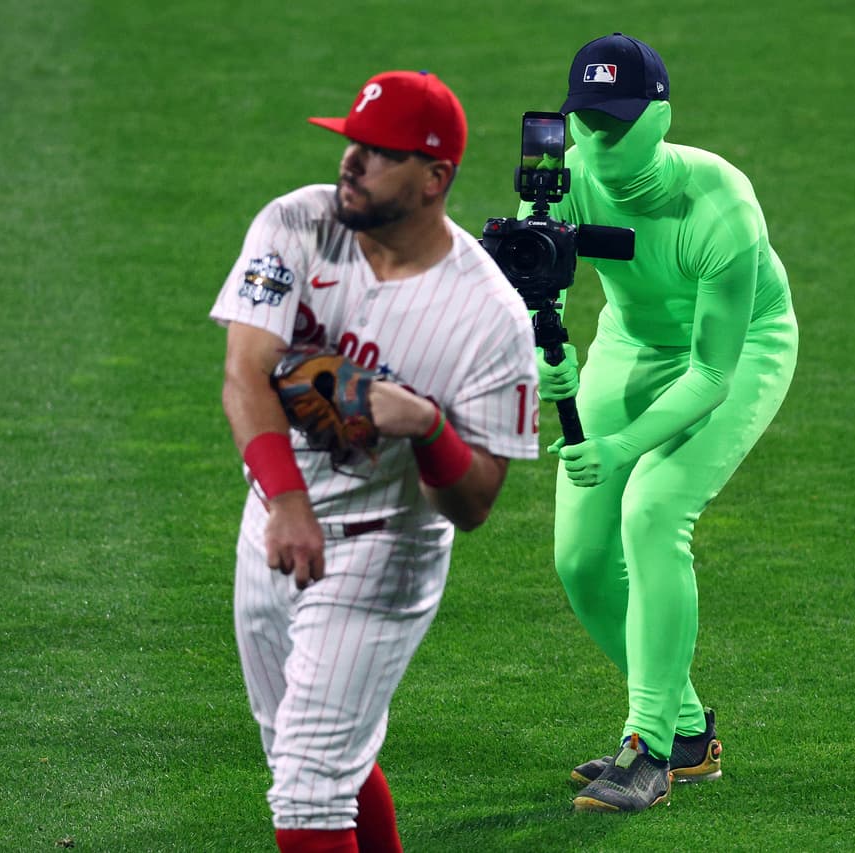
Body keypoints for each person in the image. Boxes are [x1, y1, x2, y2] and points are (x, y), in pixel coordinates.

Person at [212, 69, 539, 852]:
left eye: (380, 152)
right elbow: (244, 373)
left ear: (435, 178)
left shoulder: (488, 317)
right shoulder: (296, 223)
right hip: (274, 526)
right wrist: (287, 501)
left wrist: (427, 426)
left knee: (308, 785)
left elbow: (475, 502)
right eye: (351, 142)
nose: (350, 162)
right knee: (306, 752)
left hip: (383, 549)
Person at [525, 34, 799, 812]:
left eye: (618, 121)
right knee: (582, 560)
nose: (601, 138)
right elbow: (534, 294)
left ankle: (647, 746)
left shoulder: (721, 205)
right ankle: (686, 731)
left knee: (652, 508)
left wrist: (618, 446)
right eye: (588, 121)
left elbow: (711, 375)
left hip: (740, 349)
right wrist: (546, 357)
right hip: (632, 342)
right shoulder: (560, 184)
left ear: (660, 117)